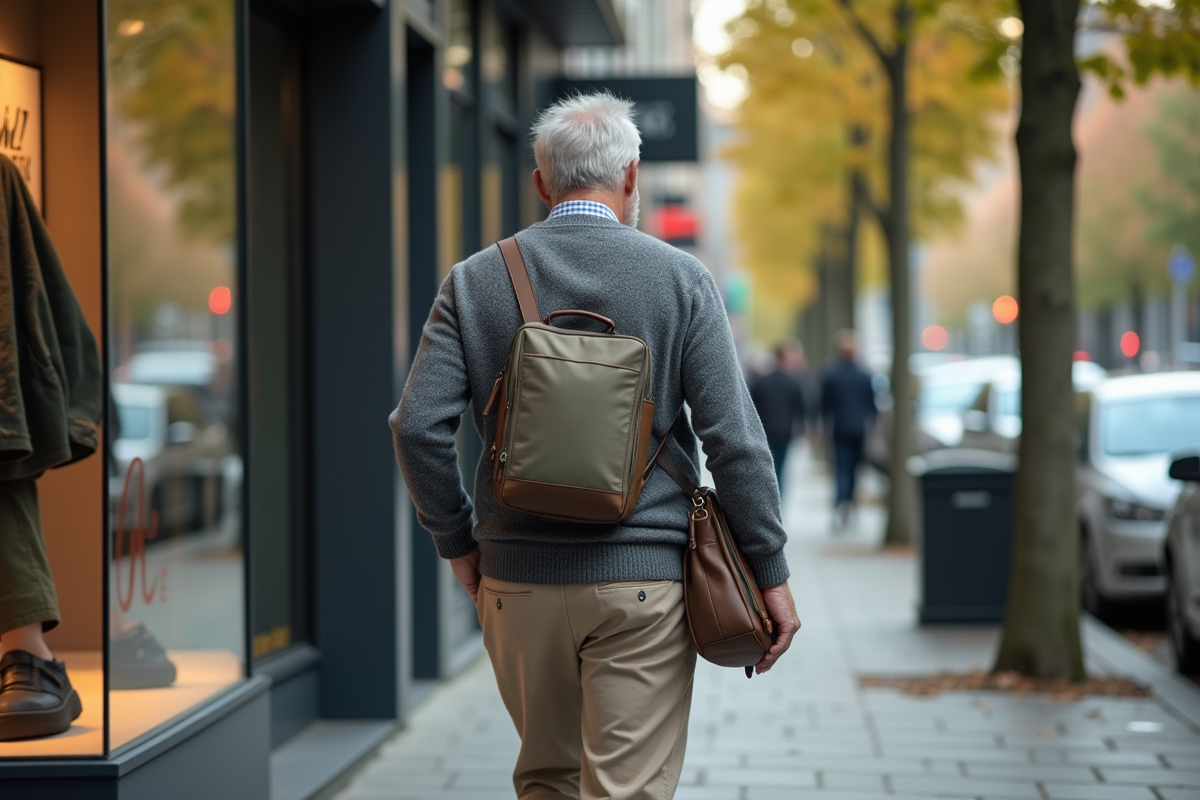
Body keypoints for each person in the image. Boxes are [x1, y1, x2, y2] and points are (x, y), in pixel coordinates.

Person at [392, 92, 800, 800]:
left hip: (516, 580)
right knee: (626, 790)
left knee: (547, 781)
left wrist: (457, 542)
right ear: (632, 176)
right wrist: (769, 571)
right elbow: (735, 441)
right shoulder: (682, 280)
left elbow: (417, 426)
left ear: (540, 183)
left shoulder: (474, 280)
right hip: (642, 580)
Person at [820, 329, 876, 529]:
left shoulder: (831, 375)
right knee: (854, 470)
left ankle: (840, 505)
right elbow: (872, 406)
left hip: (839, 428)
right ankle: (850, 504)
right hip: (859, 429)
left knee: (841, 469)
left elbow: (824, 405)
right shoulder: (864, 375)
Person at [749, 341, 809, 489]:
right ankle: (778, 496)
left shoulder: (760, 382)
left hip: (764, 431)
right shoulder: (793, 383)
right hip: (784, 431)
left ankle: (766, 493)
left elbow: (751, 406)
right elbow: (800, 409)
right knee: (780, 467)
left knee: (765, 466)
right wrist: (802, 429)